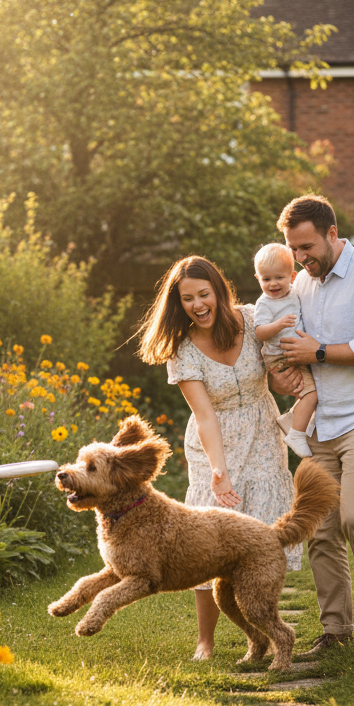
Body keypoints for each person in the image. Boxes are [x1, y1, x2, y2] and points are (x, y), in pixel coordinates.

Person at [137, 255, 300, 660]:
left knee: (260, 540)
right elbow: (204, 414)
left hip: (262, 436)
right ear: (179, 303)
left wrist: (289, 378)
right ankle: (205, 641)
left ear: (219, 292)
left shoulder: (250, 318)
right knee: (206, 543)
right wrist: (218, 471)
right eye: (187, 298)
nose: (198, 304)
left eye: (204, 294)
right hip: (215, 441)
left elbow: (276, 366)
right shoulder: (183, 350)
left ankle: (264, 633)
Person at [272, 194, 354, 651]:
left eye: (307, 246)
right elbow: (294, 342)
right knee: (321, 525)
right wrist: (290, 366)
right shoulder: (303, 285)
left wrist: (320, 352)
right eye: (293, 248)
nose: (300, 258)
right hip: (322, 422)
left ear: (332, 234)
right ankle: (335, 631)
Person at [252, 243, 319, 458]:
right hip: (279, 356)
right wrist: (278, 325)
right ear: (258, 279)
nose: (273, 284)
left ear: (292, 276)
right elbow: (260, 332)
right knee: (311, 394)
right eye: (266, 279)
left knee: (312, 391)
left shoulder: (294, 294)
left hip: (296, 352)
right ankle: (296, 434)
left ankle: (291, 420)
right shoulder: (264, 304)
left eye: (279, 277)